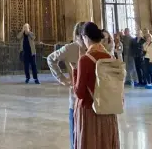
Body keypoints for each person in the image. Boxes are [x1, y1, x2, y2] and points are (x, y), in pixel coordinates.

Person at [73, 21, 120, 149]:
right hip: (108, 110)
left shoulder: (85, 59)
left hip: (90, 111)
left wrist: (74, 72)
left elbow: (80, 93)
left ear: (86, 37)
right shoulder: (110, 57)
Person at [47, 21, 86, 149]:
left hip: (94, 101)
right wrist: (62, 78)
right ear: (79, 35)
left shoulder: (94, 48)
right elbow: (51, 59)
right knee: (75, 136)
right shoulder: (71, 48)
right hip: (76, 100)